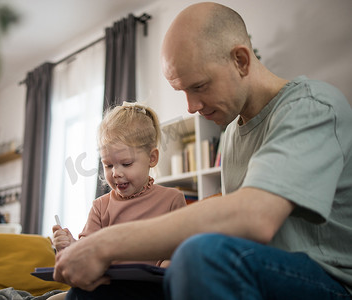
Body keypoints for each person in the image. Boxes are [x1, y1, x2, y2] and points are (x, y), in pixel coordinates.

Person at [53, 2, 352, 300]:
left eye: (199, 86)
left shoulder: (312, 107)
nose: (191, 107)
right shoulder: (233, 133)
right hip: (259, 272)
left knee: (199, 255)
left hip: (329, 281)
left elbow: (254, 217)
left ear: (241, 61)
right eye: (182, 91)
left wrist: (107, 244)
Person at [50, 101, 187, 299]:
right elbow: (88, 251)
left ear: (152, 158)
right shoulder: (100, 206)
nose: (116, 173)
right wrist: (69, 247)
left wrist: (166, 271)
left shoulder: (172, 199)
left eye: (126, 163)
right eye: (108, 165)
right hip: (106, 288)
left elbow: (178, 253)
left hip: (151, 290)